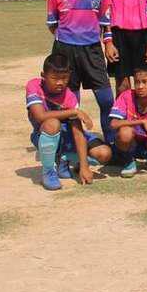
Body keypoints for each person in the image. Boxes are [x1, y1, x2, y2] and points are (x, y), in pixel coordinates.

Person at [46, 0, 115, 142]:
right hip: (65, 50)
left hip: (92, 50)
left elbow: (105, 23)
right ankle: (71, 143)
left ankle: (112, 142)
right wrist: (68, 38)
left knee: (106, 99)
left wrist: (108, 43)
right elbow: (52, 24)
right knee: (70, 101)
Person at [26, 54, 112, 191]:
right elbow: (40, 116)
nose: (60, 83)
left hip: (69, 137)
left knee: (104, 153)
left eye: (64, 78)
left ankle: (66, 158)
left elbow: (78, 133)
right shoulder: (34, 85)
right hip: (44, 134)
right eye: (54, 78)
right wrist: (73, 112)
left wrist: (84, 166)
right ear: (43, 75)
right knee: (52, 123)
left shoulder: (70, 97)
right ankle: (49, 171)